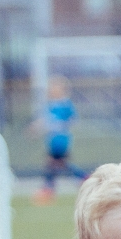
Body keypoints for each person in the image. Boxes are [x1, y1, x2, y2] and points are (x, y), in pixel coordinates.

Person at [31, 76, 88, 204]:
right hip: (52, 139)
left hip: (61, 139)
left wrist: (60, 126)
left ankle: (48, 189)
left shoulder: (65, 104)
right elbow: (44, 121)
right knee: (59, 163)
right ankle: (83, 178)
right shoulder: (50, 105)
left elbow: (72, 120)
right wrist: (35, 128)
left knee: (53, 163)